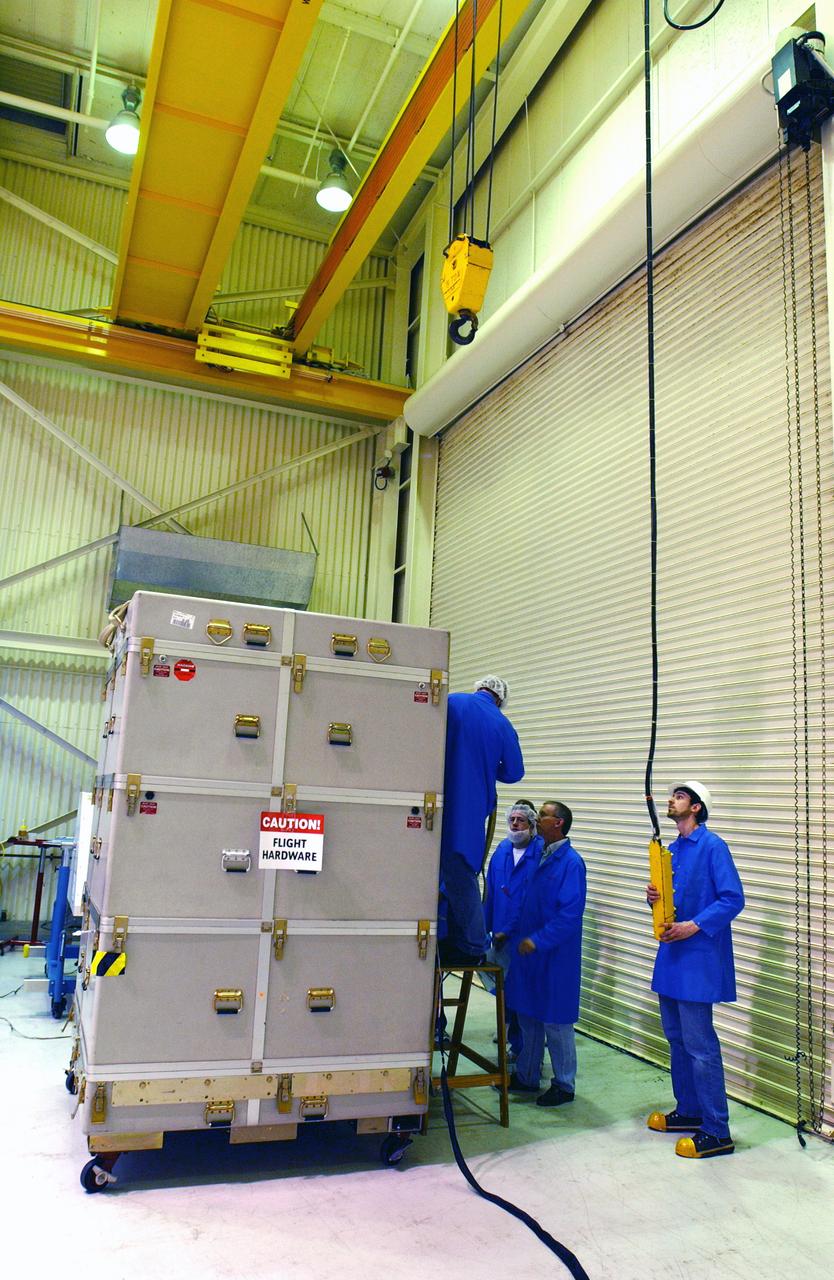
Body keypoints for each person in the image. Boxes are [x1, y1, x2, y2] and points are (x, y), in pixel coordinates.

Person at [645, 780, 744, 1159]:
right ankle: (688, 1111)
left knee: (701, 1046)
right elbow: (669, 900)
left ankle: (717, 1130)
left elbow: (733, 898)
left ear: (697, 808)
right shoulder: (670, 851)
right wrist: (653, 898)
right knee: (676, 1038)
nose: (672, 800)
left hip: (699, 959)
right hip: (671, 958)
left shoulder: (712, 846)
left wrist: (694, 925)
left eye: (680, 796)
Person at [503, 801, 586, 1106]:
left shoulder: (571, 863)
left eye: (545, 814)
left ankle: (564, 1085)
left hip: (554, 957)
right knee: (528, 1016)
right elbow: (523, 899)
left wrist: (539, 940)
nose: (538, 818)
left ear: (559, 823)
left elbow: (569, 915)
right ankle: (526, 1076)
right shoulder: (538, 854)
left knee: (556, 1022)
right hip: (529, 953)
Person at [438, 675, 524, 965]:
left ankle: (447, 938)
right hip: (468, 810)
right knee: (461, 872)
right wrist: (486, 765)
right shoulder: (501, 723)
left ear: (478, 688)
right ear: (500, 699)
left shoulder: (450, 702)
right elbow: (514, 772)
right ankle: (474, 945)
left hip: (431, 800)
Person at [483, 801, 544, 1056]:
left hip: (524, 938)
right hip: (499, 937)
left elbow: (530, 898)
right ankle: (513, 1042)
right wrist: (484, 928)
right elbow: (490, 890)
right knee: (505, 992)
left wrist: (509, 929)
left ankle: (526, 1053)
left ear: (532, 825)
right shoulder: (502, 850)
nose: (515, 824)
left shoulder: (541, 852)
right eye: (512, 820)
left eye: (521, 820)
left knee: (525, 998)